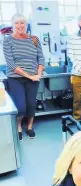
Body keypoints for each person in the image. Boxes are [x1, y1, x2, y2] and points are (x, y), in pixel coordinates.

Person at [3, 13, 45, 141]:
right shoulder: (8, 40)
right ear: (12, 25)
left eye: (22, 22)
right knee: (20, 106)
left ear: (26, 25)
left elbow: (41, 58)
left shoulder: (34, 39)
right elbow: (11, 64)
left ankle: (30, 127)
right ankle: (19, 126)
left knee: (31, 104)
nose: (20, 25)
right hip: (15, 78)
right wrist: (30, 76)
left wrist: (38, 73)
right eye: (17, 23)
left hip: (34, 77)